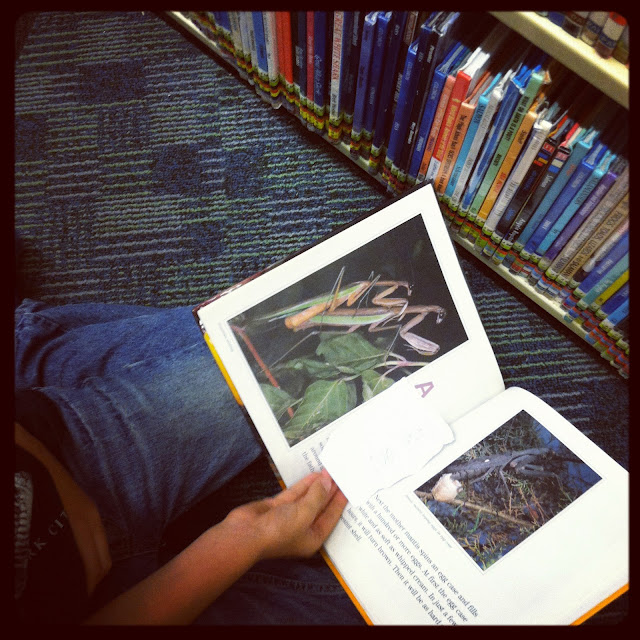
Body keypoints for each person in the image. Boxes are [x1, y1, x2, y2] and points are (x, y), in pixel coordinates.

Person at [14, 298, 365, 625]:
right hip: (94, 610)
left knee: (278, 342)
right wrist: (243, 539)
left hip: (58, 451)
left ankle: (36, 349)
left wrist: (47, 470)